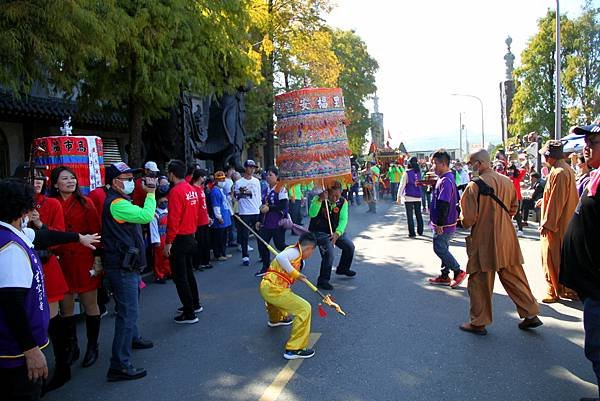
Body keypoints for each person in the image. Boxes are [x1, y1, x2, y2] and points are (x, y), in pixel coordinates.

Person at [458, 149, 542, 335]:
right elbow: (514, 208)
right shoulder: (506, 181)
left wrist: (462, 221)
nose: (471, 167)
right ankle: (531, 314)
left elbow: (469, 219)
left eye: (472, 163)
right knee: (515, 277)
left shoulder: (474, 186)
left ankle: (478, 322)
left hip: (483, 239)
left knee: (479, 280)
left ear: (479, 163)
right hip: (507, 236)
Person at [101, 162, 156, 381]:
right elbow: (146, 216)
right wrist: (151, 194)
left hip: (127, 264)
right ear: (115, 182)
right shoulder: (116, 204)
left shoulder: (121, 200)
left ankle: (132, 338)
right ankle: (119, 365)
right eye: (127, 178)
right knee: (127, 312)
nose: (132, 182)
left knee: (131, 308)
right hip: (121, 266)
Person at [559, 123, 600, 401]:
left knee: (598, 350)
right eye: (586, 141)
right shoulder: (594, 175)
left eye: (593, 142)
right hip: (591, 286)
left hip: (598, 288)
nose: (586, 146)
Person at [49, 166, 102, 368]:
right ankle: (72, 346)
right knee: (66, 308)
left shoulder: (85, 202)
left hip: (83, 259)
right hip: (61, 261)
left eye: (73, 178)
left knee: (90, 304)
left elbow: (96, 233)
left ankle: (92, 346)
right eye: (65, 178)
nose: (71, 181)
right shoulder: (50, 204)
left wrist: (97, 259)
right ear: (55, 184)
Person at [259, 233, 318, 360]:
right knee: (304, 308)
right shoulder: (295, 252)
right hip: (275, 289)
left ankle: (276, 319)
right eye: (312, 252)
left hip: (267, 286)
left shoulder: (294, 252)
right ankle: (294, 349)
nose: (310, 255)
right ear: (308, 248)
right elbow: (280, 257)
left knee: (279, 300)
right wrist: (295, 274)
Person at [537, 140, 579, 303]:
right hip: (564, 222)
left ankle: (553, 289)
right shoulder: (562, 169)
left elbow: (557, 201)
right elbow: (555, 196)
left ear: (549, 156)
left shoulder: (559, 172)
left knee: (551, 256)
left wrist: (548, 223)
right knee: (562, 256)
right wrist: (544, 200)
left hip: (557, 225)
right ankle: (564, 288)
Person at [164, 160, 201, 324]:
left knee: (180, 277)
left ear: (172, 174)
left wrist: (168, 242)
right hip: (191, 235)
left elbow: (173, 219)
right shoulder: (191, 189)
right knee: (188, 273)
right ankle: (194, 303)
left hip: (179, 238)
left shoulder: (176, 191)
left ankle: (189, 312)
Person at [426, 150, 467, 288]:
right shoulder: (444, 179)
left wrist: (439, 224)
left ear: (443, 164)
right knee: (444, 247)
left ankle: (457, 271)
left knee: (439, 248)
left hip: (444, 223)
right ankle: (445, 275)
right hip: (444, 222)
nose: (433, 167)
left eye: (435, 163)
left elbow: (443, 204)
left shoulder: (446, 181)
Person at [308, 182, 356, 290]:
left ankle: (343, 268)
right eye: (332, 195)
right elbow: (312, 214)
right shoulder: (318, 198)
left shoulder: (343, 202)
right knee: (329, 254)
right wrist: (320, 200)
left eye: (337, 196)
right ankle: (323, 280)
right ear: (327, 192)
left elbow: (343, 219)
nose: (335, 198)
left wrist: (338, 233)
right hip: (319, 231)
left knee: (349, 246)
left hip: (335, 230)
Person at [256, 167, 288, 277]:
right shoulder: (265, 190)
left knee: (280, 245)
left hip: (277, 222)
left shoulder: (281, 188)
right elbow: (263, 206)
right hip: (266, 223)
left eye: (271, 175)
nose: (268, 177)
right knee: (262, 243)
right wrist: (259, 220)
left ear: (276, 176)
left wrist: (270, 208)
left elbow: (283, 205)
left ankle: (296, 257)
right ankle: (266, 267)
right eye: (267, 175)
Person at [234, 160, 262, 266]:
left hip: (256, 210)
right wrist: (242, 193)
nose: (252, 169)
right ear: (245, 168)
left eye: (253, 167)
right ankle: (245, 256)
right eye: (250, 167)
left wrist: (260, 208)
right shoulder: (239, 182)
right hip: (245, 212)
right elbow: (236, 196)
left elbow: (258, 196)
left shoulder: (256, 181)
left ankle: (261, 254)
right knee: (244, 235)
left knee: (259, 234)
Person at [191, 168, 212, 271]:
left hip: (204, 219)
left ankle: (205, 261)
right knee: (199, 242)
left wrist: (207, 216)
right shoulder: (193, 189)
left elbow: (204, 205)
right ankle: (198, 262)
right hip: (197, 220)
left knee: (205, 241)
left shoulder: (201, 188)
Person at [397, 156, 424, 237]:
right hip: (418, 196)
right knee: (418, 214)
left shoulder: (406, 173)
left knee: (410, 216)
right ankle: (420, 231)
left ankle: (412, 233)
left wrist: (398, 196)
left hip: (408, 197)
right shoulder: (419, 172)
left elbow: (402, 185)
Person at [149, 189, 171, 283]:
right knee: (159, 258)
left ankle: (168, 272)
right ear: (157, 202)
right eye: (162, 202)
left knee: (168, 256)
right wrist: (156, 241)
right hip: (159, 238)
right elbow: (153, 228)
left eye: (166, 201)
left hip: (168, 236)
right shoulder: (155, 215)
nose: (164, 203)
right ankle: (160, 275)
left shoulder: (168, 211)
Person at [210, 171, 232, 262]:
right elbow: (216, 206)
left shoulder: (222, 190)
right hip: (221, 218)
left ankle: (223, 253)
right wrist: (219, 217)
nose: (223, 181)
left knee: (224, 237)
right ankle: (218, 254)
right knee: (219, 238)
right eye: (220, 179)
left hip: (226, 215)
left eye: (223, 179)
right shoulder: (215, 191)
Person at [507, 164, 527, 237]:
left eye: (511, 169)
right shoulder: (506, 177)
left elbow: (524, 170)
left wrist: (516, 169)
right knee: (507, 213)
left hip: (517, 198)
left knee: (517, 213)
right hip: (507, 197)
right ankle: (508, 228)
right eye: (509, 169)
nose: (510, 171)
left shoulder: (517, 177)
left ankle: (520, 229)